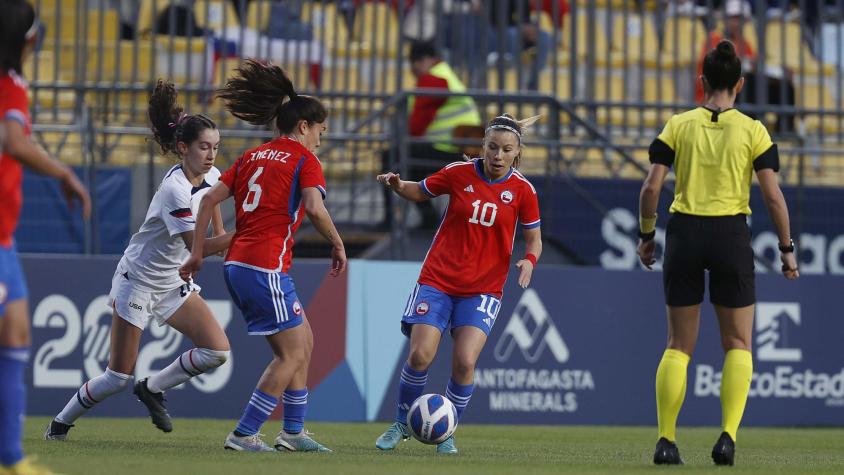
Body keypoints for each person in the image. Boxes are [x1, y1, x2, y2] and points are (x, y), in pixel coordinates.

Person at [638, 40, 799, 467]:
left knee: (678, 345)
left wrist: (646, 234)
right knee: (739, 343)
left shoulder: (678, 124)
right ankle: (727, 436)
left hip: (686, 232)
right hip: (730, 234)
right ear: (740, 84)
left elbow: (652, 187)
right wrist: (787, 250)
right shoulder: (753, 130)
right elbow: (774, 198)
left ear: (702, 81)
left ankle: (666, 440)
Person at [44, 80, 233, 441]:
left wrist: (224, 237)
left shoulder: (212, 175)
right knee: (117, 376)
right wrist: (249, 233)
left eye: (216, 147)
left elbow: (214, 213)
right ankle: (58, 425)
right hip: (140, 280)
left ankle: (153, 388)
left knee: (217, 350)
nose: (211, 155)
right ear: (183, 147)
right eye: (204, 147)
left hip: (172, 280)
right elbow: (197, 247)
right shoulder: (174, 190)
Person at [179, 59, 347, 453]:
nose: (320, 140)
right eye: (320, 130)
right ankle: (244, 434)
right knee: (290, 354)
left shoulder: (254, 156)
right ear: (304, 126)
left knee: (303, 339)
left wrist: (199, 252)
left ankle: (292, 432)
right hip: (265, 266)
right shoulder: (305, 160)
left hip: (239, 264)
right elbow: (315, 207)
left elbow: (208, 198)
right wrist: (337, 243)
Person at [374, 113, 543, 454]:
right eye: (492, 147)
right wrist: (397, 185)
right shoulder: (458, 173)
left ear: (517, 154)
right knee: (421, 355)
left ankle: (447, 431)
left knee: (465, 362)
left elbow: (534, 239)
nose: (497, 155)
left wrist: (529, 260)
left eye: (506, 150)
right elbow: (418, 192)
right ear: (482, 146)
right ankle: (401, 422)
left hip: (482, 289)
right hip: (438, 279)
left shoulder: (524, 191)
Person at [0, 1, 91, 473]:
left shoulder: (11, 84)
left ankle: (11, 458)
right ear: (27, 39)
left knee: (15, 332)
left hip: (5, 238)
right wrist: (64, 173)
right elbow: (14, 144)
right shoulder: (12, 86)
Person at [381, 41, 482, 229]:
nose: (413, 69)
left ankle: (389, 221)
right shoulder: (446, 75)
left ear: (426, 60)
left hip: (449, 148)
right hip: (458, 148)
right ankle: (429, 218)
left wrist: (400, 138)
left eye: (415, 62)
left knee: (392, 156)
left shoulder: (434, 79)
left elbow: (417, 127)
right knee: (414, 166)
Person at [694, 0, 795, 133]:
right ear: (725, 19)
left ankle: (784, 132)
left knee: (784, 87)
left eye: (741, 19)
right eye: (734, 18)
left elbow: (752, 69)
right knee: (750, 84)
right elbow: (712, 69)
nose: (738, 22)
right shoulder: (714, 39)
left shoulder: (744, 43)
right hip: (720, 92)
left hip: (741, 89)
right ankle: (749, 130)